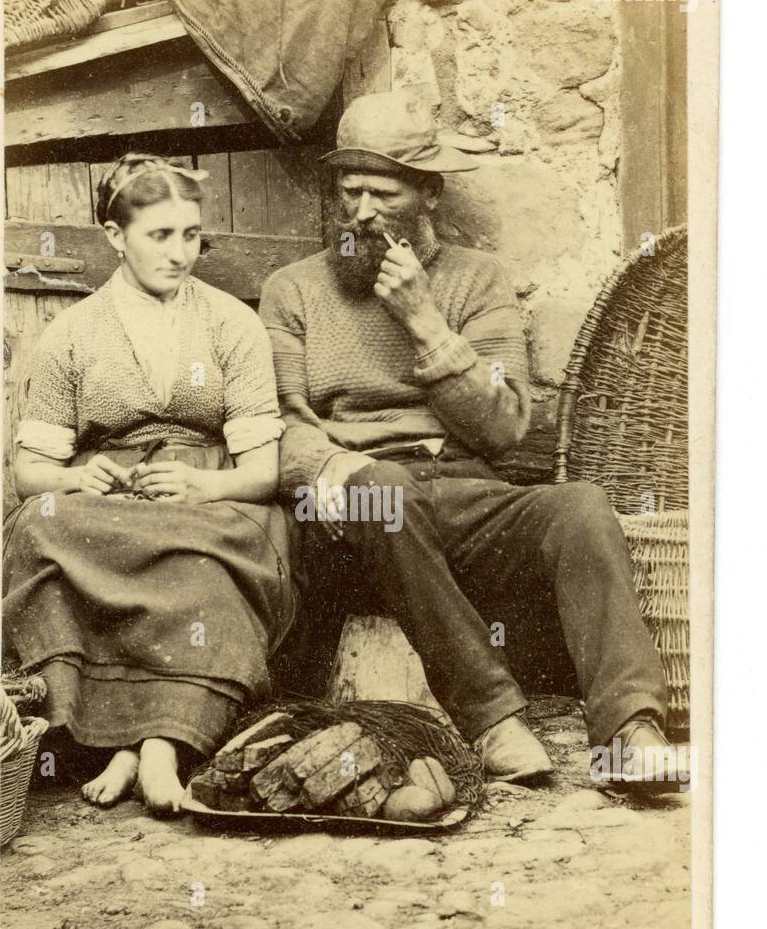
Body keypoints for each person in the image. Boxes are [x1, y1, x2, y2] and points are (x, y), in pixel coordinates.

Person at [260, 88, 682, 794]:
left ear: (429, 193)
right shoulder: (292, 290)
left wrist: (425, 321)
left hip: (462, 490)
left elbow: (503, 425)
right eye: (349, 190)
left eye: (383, 193)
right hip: (348, 513)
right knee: (383, 492)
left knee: (578, 505)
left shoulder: (478, 282)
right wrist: (347, 467)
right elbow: (279, 427)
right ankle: (492, 721)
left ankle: (629, 731)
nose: (361, 212)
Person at [3, 152, 294, 815]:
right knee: (44, 527)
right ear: (115, 236)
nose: (180, 253)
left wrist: (202, 486)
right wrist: (77, 476)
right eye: (160, 236)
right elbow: (29, 476)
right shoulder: (71, 334)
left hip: (207, 498)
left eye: (191, 235)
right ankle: (120, 739)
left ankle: (161, 742)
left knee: (199, 565)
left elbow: (264, 472)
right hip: (113, 503)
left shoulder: (232, 325)